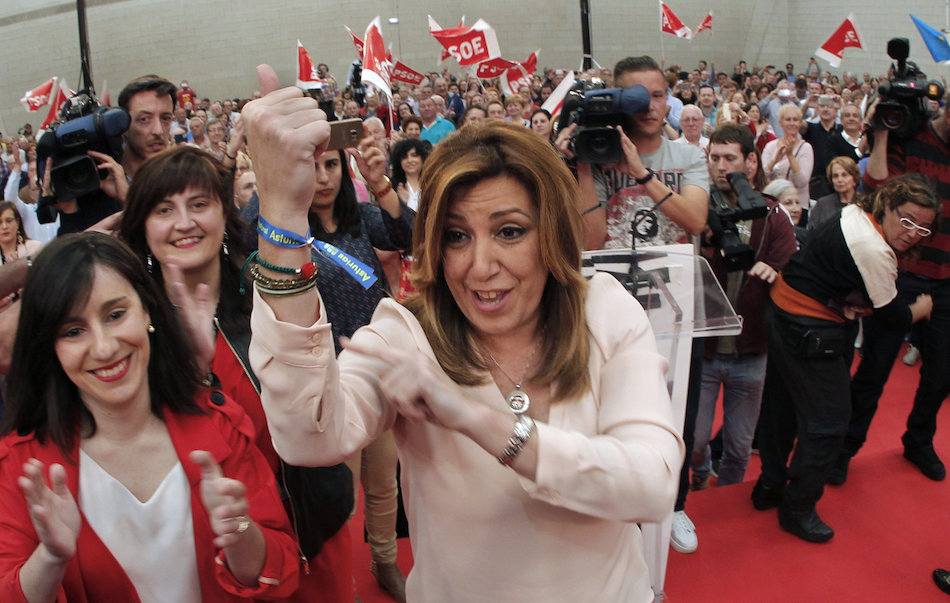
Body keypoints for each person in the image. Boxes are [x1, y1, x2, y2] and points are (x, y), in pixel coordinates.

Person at [242, 67, 683, 602]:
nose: (479, 266)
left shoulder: (605, 310)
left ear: (552, 232)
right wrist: (284, 214)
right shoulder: (407, 333)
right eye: (456, 236)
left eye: (509, 232)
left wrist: (478, 420)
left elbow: (651, 485)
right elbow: (307, 436)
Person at [0, 232, 300, 601]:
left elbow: (280, 573)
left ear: (147, 311)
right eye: (74, 331)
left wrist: (239, 532)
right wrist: (50, 557)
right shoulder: (20, 464)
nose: (105, 347)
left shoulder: (218, 423)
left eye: (115, 315)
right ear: (51, 346)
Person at [117, 146, 355, 602]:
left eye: (199, 204)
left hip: (311, 527)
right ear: (142, 228)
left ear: (225, 215)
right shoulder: (129, 332)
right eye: (164, 209)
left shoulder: (269, 303)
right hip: (211, 555)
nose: (184, 222)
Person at [242, 125, 414, 601]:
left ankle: (384, 562)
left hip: (379, 370)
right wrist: (276, 175)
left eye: (331, 165)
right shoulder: (287, 235)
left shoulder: (361, 218)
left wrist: (380, 183)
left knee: (384, 483)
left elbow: (408, 232)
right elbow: (246, 225)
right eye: (312, 166)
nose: (322, 177)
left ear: (345, 167)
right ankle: (348, 581)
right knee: (343, 496)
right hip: (324, 382)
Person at [753, 174, 938, 542]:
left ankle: (770, 487)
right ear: (887, 206)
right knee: (830, 423)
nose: (913, 233)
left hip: (785, 314)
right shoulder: (875, 249)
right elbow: (892, 318)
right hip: (809, 329)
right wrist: (921, 308)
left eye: (923, 228)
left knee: (783, 407)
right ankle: (798, 506)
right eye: (906, 220)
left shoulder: (855, 212)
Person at [838, 94, 950, 484]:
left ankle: (918, 441)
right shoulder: (911, 134)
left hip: (945, 277)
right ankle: (842, 449)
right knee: (873, 371)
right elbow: (875, 185)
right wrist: (882, 134)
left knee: (941, 373)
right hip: (898, 272)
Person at [690, 125, 796, 491]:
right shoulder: (696, 209)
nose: (720, 166)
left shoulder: (774, 214)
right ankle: (702, 478)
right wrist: (700, 248)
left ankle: (726, 499)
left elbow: (794, 270)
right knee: (695, 443)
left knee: (737, 448)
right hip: (702, 350)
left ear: (751, 162)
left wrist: (778, 272)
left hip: (752, 352)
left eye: (729, 158)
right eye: (714, 158)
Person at [762, 104, 814, 209]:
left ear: (800, 123)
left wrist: (790, 155)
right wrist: (775, 160)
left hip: (797, 206)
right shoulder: (770, 146)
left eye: (795, 120)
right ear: (781, 123)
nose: (792, 123)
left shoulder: (806, 147)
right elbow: (762, 176)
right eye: (788, 119)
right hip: (774, 204)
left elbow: (802, 181)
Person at [808, 156, 861, 231]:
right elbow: (812, 233)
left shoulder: (864, 203)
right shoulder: (822, 205)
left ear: (855, 179)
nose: (839, 180)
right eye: (835, 176)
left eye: (844, 175)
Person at [391, 138, 430, 212]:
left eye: (414, 155)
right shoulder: (393, 186)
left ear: (422, 158)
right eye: (404, 157)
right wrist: (401, 203)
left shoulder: (432, 183)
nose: (410, 160)